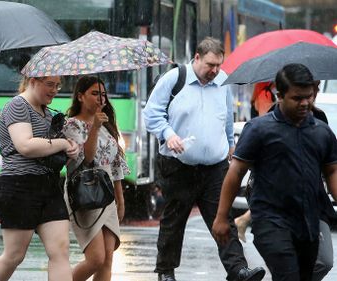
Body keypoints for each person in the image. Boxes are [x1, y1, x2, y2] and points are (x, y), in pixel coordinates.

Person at [142, 37, 265, 281]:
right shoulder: (174, 79)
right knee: (173, 221)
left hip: (215, 167)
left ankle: (237, 269)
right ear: (196, 58)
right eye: (210, 65)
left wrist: (230, 144)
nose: (215, 71)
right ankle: (166, 272)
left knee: (223, 218)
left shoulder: (222, 82)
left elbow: (226, 117)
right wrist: (169, 134)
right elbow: (151, 113)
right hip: (179, 166)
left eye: (219, 65)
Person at [212, 63, 337, 281]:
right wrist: (222, 217)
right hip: (271, 220)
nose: (305, 103)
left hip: (308, 222)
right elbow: (236, 172)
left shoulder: (322, 132)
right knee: (288, 275)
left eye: (309, 96)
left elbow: (332, 171)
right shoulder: (259, 129)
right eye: (297, 98)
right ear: (280, 95)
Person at [0, 75, 79, 281]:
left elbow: (46, 150)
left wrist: (68, 149)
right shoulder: (17, 105)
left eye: (57, 85)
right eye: (50, 84)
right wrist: (63, 144)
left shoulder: (47, 112)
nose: (54, 90)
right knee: (14, 256)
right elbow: (25, 145)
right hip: (19, 186)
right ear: (32, 81)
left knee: (60, 251)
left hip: (49, 186)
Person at [62, 76, 129, 281]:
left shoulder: (108, 126)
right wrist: (95, 128)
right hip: (85, 190)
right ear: (80, 97)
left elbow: (116, 165)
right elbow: (87, 159)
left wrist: (120, 198)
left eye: (103, 94)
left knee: (108, 258)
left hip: (107, 191)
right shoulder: (71, 125)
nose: (100, 98)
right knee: (96, 258)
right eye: (94, 93)